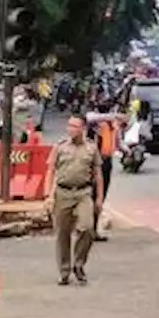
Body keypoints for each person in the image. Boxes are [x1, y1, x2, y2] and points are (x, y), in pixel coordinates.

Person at [43, 115, 103, 286]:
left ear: (82, 129)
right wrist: (48, 195)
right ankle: (64, 271)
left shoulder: (91, 148)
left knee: (87, 228)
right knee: (63, 234)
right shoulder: (60, 147)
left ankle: (79, 263)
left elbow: (98, 176)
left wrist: (99, 198)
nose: (71, 129)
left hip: (83, 192)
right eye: (69, 126)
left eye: (75, 126)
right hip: (63, 193)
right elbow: (50, 171)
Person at [88, 102, 121, 241]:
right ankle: (88, 229)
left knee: (101, 196)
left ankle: (94, 229)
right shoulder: (95, 124)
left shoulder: (113, 125)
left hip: (107, 161)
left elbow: (117, 141)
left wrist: (124, 149)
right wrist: (113, 116)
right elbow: (89, 117)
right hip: (96, 162)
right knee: (93, 196)